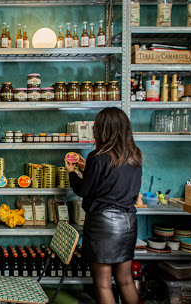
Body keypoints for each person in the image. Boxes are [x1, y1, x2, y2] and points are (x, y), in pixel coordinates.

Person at [65, 107, 142, 304]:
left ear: (102, 130)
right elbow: (114, 180)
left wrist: (72, 172)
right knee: (126, 281)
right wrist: (87, 168)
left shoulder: (97, 157)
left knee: (103, 284)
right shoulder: (134, 156)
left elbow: (84, 190)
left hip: (104, 225)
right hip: (128, 223)